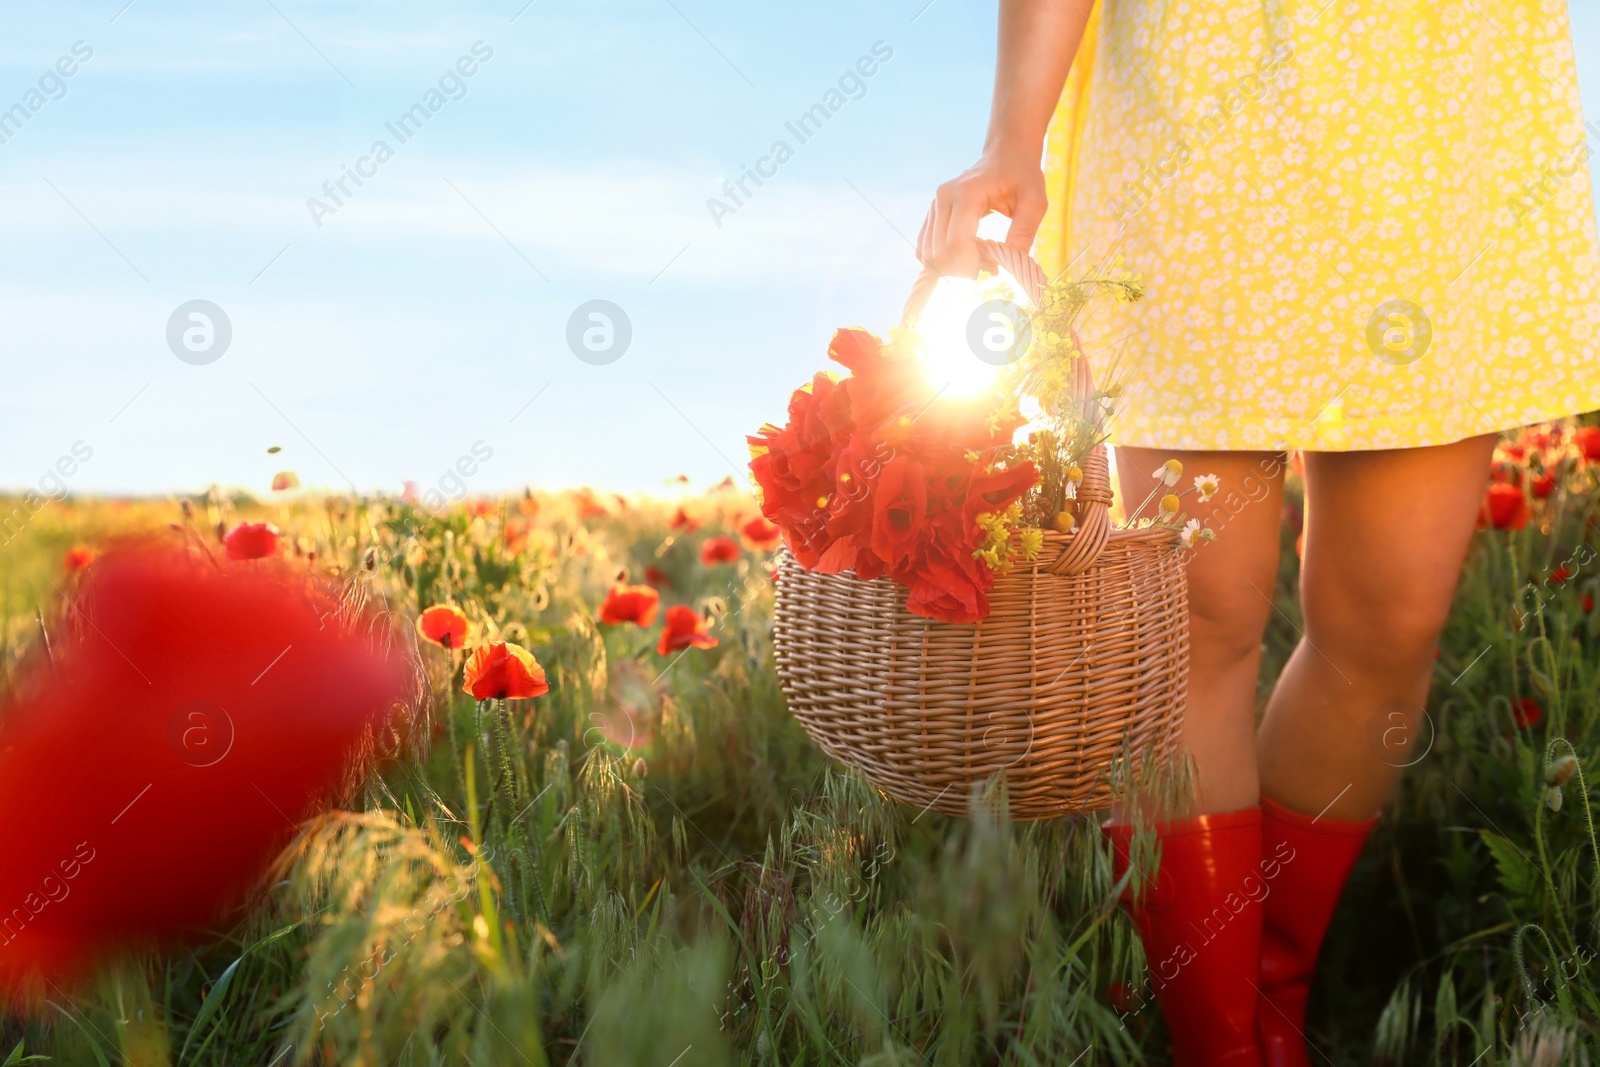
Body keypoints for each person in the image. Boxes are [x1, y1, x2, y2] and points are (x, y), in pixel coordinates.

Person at [918, 2, 1600, 1064]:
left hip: (1439, 115)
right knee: (1195, 622)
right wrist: (1011, 139)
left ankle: (1261, 993)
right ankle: (1221, 1039)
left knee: (1390, 622)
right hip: (1204, 105)